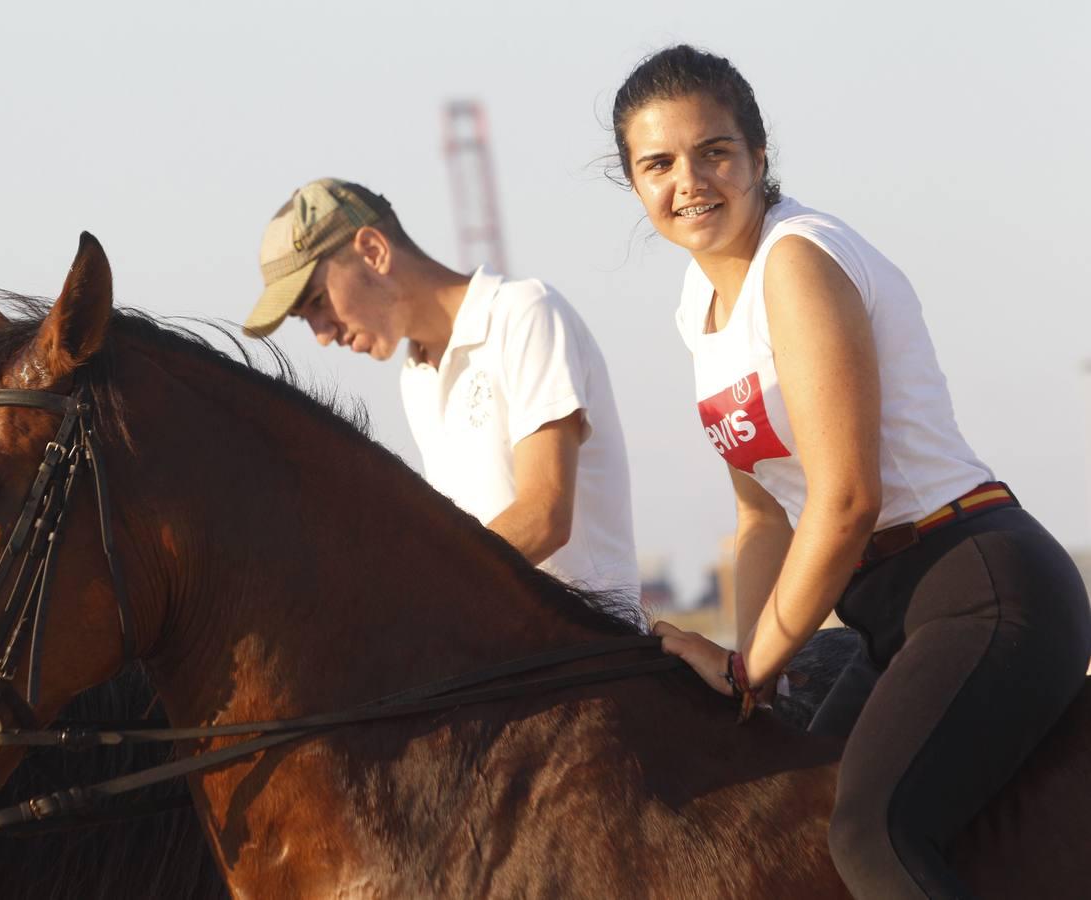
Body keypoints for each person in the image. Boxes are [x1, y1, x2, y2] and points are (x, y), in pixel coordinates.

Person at [611, 45, 1091, 898]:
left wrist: (753, 662)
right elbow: (763, 517)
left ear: (759, 157)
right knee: (789, 824)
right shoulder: (703, 311)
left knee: (870, 834)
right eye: (658, 163)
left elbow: (842, 501)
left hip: (979, 587)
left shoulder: (795, 263)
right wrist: (744, 678)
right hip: (887, 614)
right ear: (635, 184)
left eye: (713, 151)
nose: (689, 180)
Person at [243, 178, 640, 598]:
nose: (321, 334)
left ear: (373, 251)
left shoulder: (524, 313)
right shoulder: (415, 377)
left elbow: (545, 517)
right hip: (507, 652)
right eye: (305, 319)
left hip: (593, 652)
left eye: (318, 302)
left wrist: (412, 596)